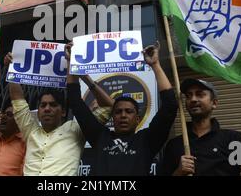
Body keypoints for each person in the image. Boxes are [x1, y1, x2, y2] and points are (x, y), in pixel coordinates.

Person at [66, 41, 178, 175]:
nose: (123, 115)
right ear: (113, 117)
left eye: (129, 111)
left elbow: (170, 105)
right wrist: (72, 61)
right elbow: (76, 102)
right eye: (118, 112)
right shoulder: (100, 137)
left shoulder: (147, 140)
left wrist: (155, 65)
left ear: (137, 119)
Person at [6, 53, 114, 176]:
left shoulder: (76, 130)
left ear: (63, 111)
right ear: (39, 110)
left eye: (53, 105)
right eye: (43, 105)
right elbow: (18, 100)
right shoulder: (31, 131)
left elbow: (109, 107)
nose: (47, 109)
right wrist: (12, 68)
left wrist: (83, 76)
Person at [160, 78, 241, 176]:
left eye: (200, 94)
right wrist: (179, 172)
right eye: (188, 96)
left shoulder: (233, 141)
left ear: (214, 103)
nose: (193, 99)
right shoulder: (175, 145)